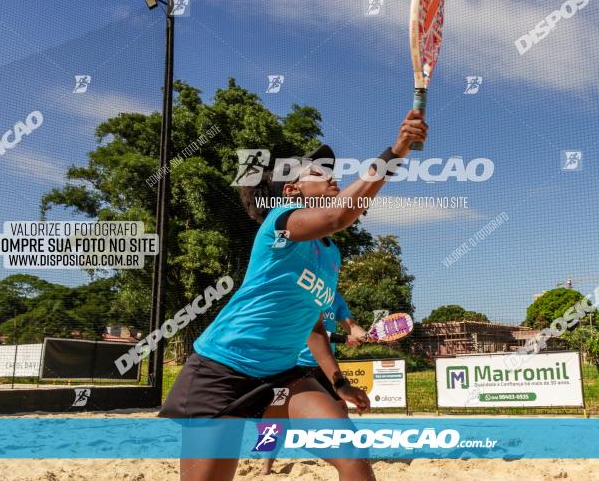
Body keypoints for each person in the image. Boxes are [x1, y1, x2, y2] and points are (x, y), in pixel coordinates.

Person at [159, 109, 428, 481]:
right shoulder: (280, 222)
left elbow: (313, 323)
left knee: (353, 456)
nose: (331, 176)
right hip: (222, 368)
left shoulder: (330, 253)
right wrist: (395, 152)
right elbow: (338, 216)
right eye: (317, 173)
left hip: (282, 374)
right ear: (292, 190)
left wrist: (339, 381)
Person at [261, 291, 367, 475]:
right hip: (297, 365)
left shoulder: (335, 297)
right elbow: (311, 328)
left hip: (326, 368)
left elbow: (351, 326)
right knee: (276, 418)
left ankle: (345, 459)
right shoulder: (302, 293)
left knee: (341, 409)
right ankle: (265, 467)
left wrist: (365, 334)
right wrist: (343, 338)